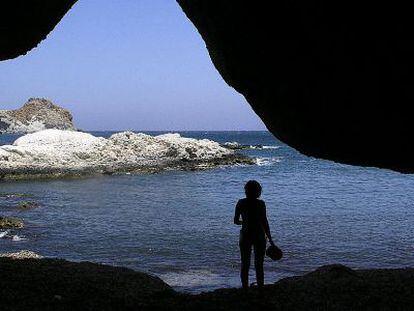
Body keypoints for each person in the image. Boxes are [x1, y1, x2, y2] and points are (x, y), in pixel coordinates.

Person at [234, 180, 274, 290]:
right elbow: (265, 222)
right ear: (258, 191)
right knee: (259, 264)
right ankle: (261, 288)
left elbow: (236, 221)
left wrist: (245, 222)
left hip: (246, 234)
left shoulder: (241, 203)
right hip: (259, 235)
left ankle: (245, 289)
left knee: (245, 264)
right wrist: (271, 240)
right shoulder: (261, 204)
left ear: (246, 191)